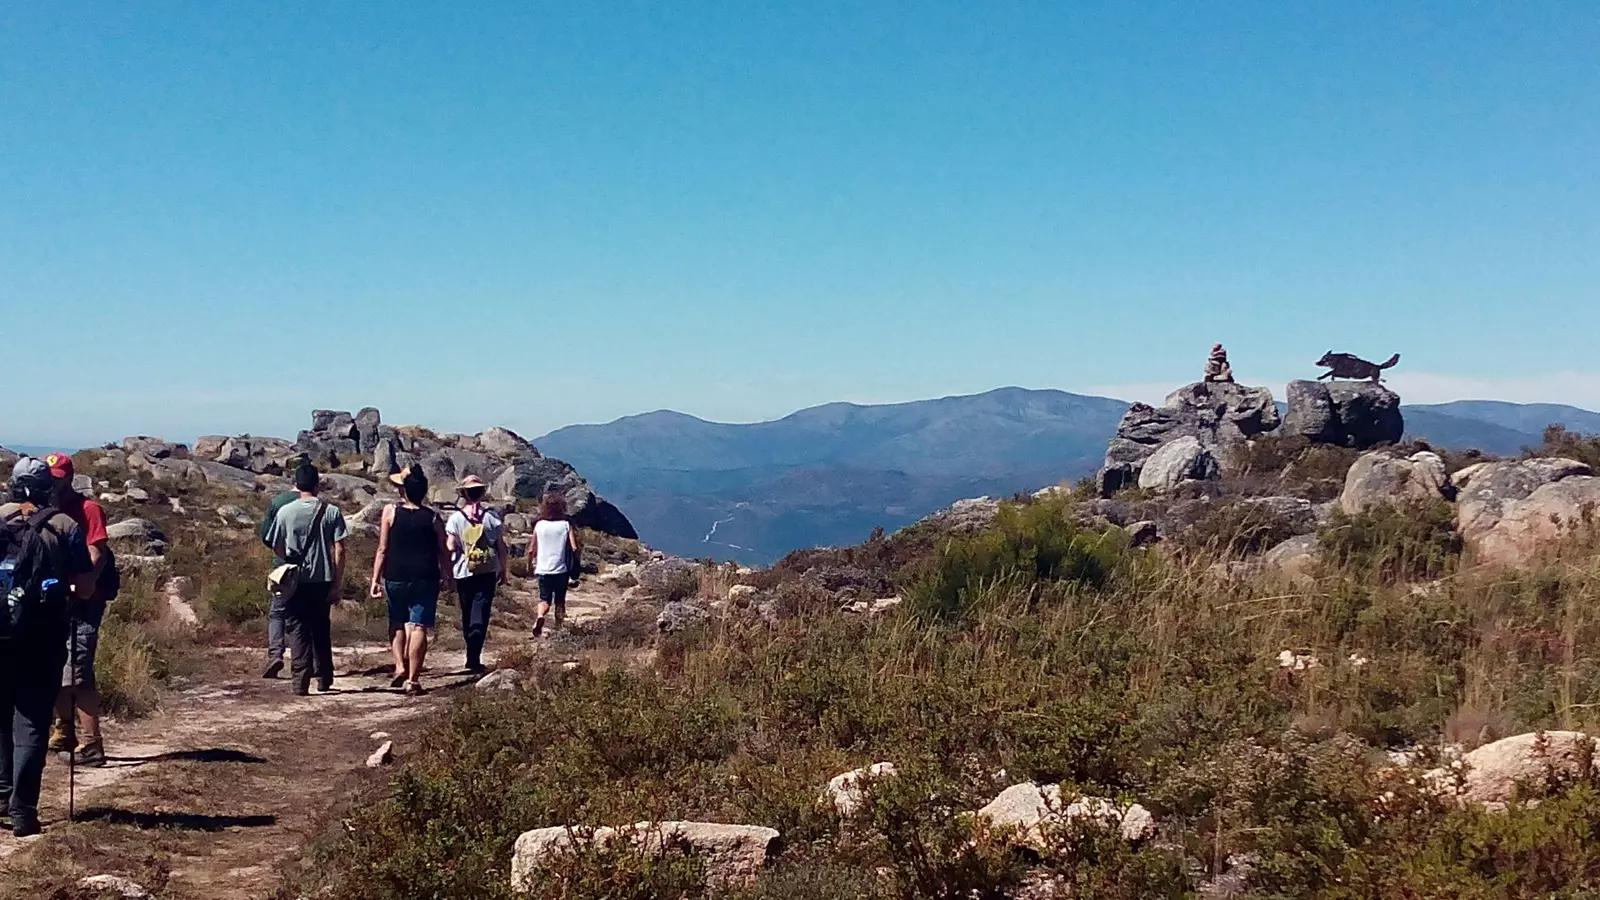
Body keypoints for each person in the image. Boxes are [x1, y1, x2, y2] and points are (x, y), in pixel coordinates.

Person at [0, 458, 93, 836]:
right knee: (33, 722)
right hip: (43, 639)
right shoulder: (64, 525)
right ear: (47, 488)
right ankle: (23, 810)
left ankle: (1, 797)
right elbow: (85, 587)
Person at [42, 453, 114, 769]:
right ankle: (64, 732)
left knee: (78, 672)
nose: (54, 484)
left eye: (58, 478)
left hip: (85, 602)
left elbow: (97, 554)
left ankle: (92, 744)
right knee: (57, 665)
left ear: (70, 479)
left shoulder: (88, 510)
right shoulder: (45, 510)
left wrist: (82, 585)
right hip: (56, 600)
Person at [265, 463, 349, 696]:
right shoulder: (331, 511)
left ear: (296, 484)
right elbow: (340, 549)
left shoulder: (285, 512)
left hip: (295, 580)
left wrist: (289, 559)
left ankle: (300, 681)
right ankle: (324, 677)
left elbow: (276, 546)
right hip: (322, 578)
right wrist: (337, 583)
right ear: (317, 484)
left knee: (297, 628)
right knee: (320, 627)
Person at [368, 468, 449, 696]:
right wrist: (449, 575)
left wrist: (375, 579)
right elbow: (443, 550)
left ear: (403, 490)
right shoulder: (433, 517)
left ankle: (399, 666)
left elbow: (383, 549)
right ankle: (413, 680)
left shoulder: (390, 512)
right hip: (426, 576)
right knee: (419, 626)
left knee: (397, 621)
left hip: (395, 574)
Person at [445, 475, 507, 673]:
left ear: (464, 494)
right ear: (482, 493)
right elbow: (500, 546)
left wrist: (447, 570)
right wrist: (503, 570)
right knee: (481, 611)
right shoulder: (492, 517)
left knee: (466, 611)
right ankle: (474, 655)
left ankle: (470, 645)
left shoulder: (455, 519)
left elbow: (450, 547)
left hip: (463, 571)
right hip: (487, 570)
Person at [258, 452, 310, 679]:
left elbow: (267, 536)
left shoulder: (278, 502)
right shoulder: (317, 504)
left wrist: (279, 552)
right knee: (307, 614)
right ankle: (308, 660)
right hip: (311, 567)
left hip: (283, 565)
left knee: (277, 613)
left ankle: (275, 654)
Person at [527, 492, 580, 638]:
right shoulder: (565, 525)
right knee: (560, 601)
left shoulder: (539, 525)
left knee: (544, 599)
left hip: (543, 569)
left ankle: (540, 616)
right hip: (561, 570)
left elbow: (531, 549)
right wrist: (576, 564)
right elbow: (574, 547)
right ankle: (558, 627)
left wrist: (529, 566)